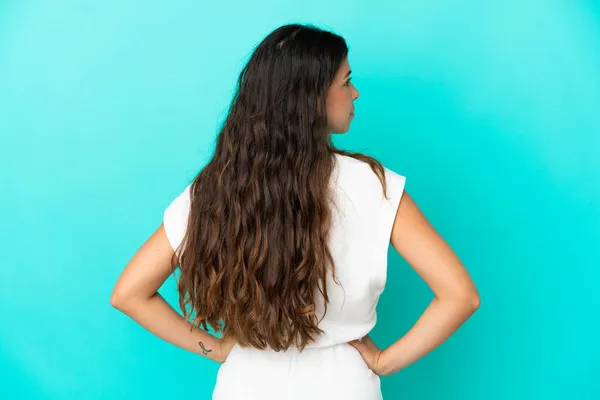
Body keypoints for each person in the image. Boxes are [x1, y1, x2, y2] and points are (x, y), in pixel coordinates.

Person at [110, 23, 480, 399]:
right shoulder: (374, 186)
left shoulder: (216, 188)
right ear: (311, 96)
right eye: (346, 82)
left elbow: (129, 293)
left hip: (245, 384)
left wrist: (217, 349)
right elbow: (460, 296)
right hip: (343, 386)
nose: (355, 93)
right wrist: (385, 361)